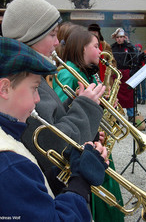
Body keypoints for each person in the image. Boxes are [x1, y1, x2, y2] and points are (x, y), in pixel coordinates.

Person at [0, 36, 109, 221]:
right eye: (34, 88)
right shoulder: (10, 165)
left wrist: (51, 178)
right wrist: (81, 182)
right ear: (4, 88)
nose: (37, 99)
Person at [2, 0, 106, 195]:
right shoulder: (22, 80)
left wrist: (74, 102)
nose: (58, 42)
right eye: (52, 34)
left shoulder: (31, 75)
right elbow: (49, 142)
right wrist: (84, 107)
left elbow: (51, 117)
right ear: (31, 36)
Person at [52, 26, 124, 222]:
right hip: (82, 148)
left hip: (93, 141)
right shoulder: (69, 74)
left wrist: (107, 105)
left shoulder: (88, 71)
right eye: (95, 46)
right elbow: (60, 114)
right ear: (82, 48)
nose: (100, 51)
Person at [111, 28, 138, 122]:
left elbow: (135, 60)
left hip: (126, 73)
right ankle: (117, 115)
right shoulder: (112, 47)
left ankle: (131, 114)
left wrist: (131, 73)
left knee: (129, 94)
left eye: (121, 37)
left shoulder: (129, 47)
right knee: (116, 95)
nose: (119, 39)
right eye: (118, 37)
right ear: (115, 38)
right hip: (116, 74)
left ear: (124, 37)